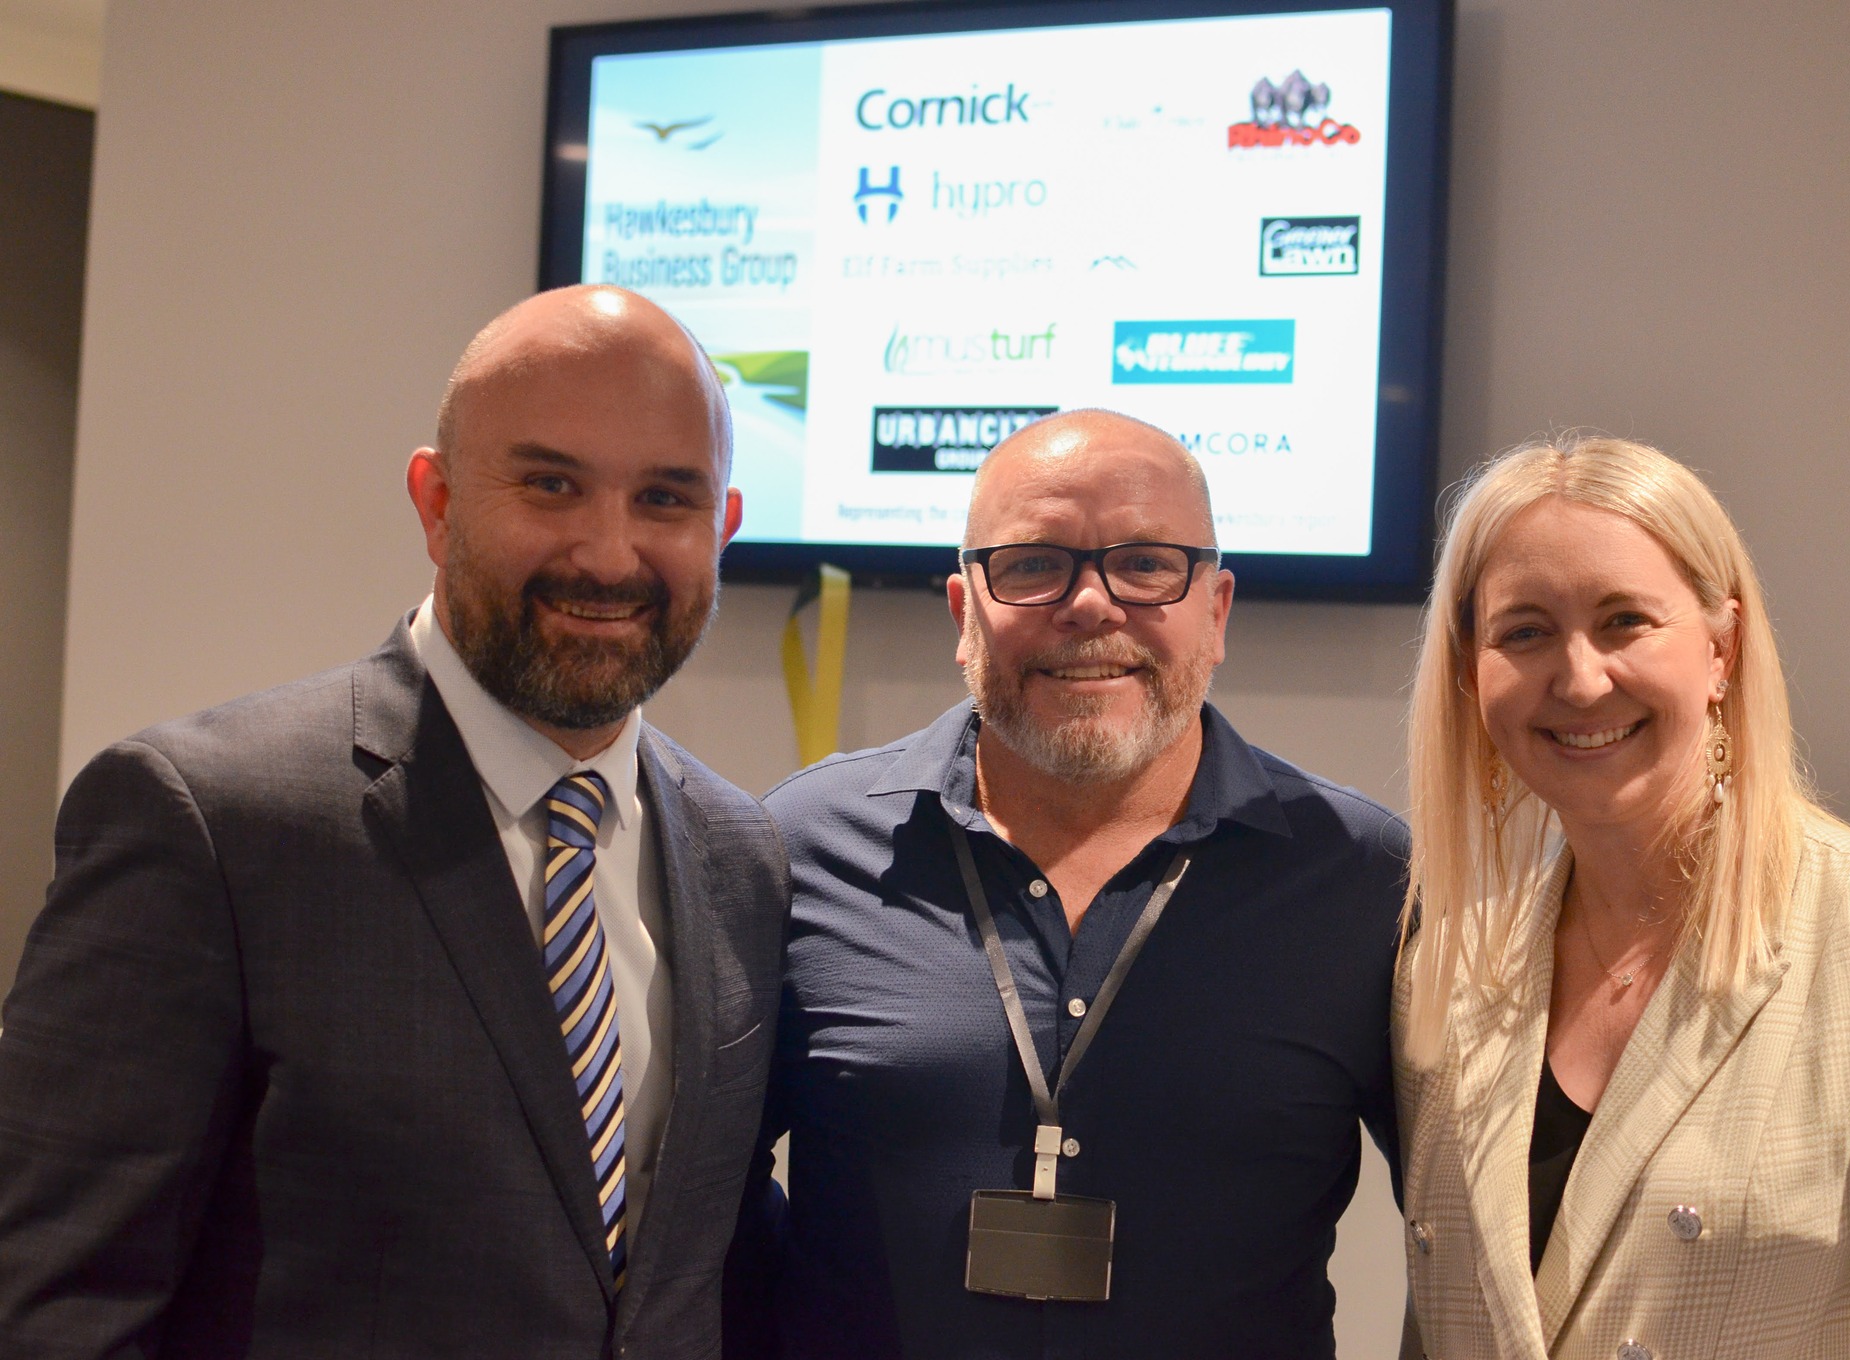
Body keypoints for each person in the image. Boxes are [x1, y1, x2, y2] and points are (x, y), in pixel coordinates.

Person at [0, 285, 789, 1358]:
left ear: (722, 526)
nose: (609, 555)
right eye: (551, 484)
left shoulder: (741, 858)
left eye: (664, 497)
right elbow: (58, 1305)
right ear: (437, 502)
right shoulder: (209, 824)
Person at [725, 410, 1409, 1360]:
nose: (1090, 605)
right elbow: (702, 1208)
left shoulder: (1365, 878)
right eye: (1033, 565)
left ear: (1217, 611)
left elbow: (1463, 1227)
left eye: (1147, 564)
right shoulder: (799, 848)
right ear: (964, 613)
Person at [1394, 434, 1850, 1358]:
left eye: (1624, 620)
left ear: (1721, 648)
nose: (1580, 678)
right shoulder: (1449, 969)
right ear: (1472, 672)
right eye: (1525, 632)